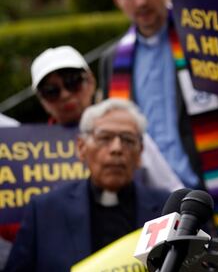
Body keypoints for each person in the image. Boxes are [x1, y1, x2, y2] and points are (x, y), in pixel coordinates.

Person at [99, 0, 218, 216]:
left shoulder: (201, 35)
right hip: (150, 203)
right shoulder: (112, 61)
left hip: (211, 193)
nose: (140, 1)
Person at [6, 99, 171, 272]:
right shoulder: (44, 211)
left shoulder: (166, 210)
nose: (117, 148)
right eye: (104, 138)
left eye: (128, 140)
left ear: (140, 153)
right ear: (81, 147)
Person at [30, 45, 181, 191]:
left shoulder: (126, 127)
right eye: (51, 91)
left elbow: (170, 189)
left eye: (72, 82)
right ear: (41, 100)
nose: (65, 94)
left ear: (90, 81)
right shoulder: (29, 150)